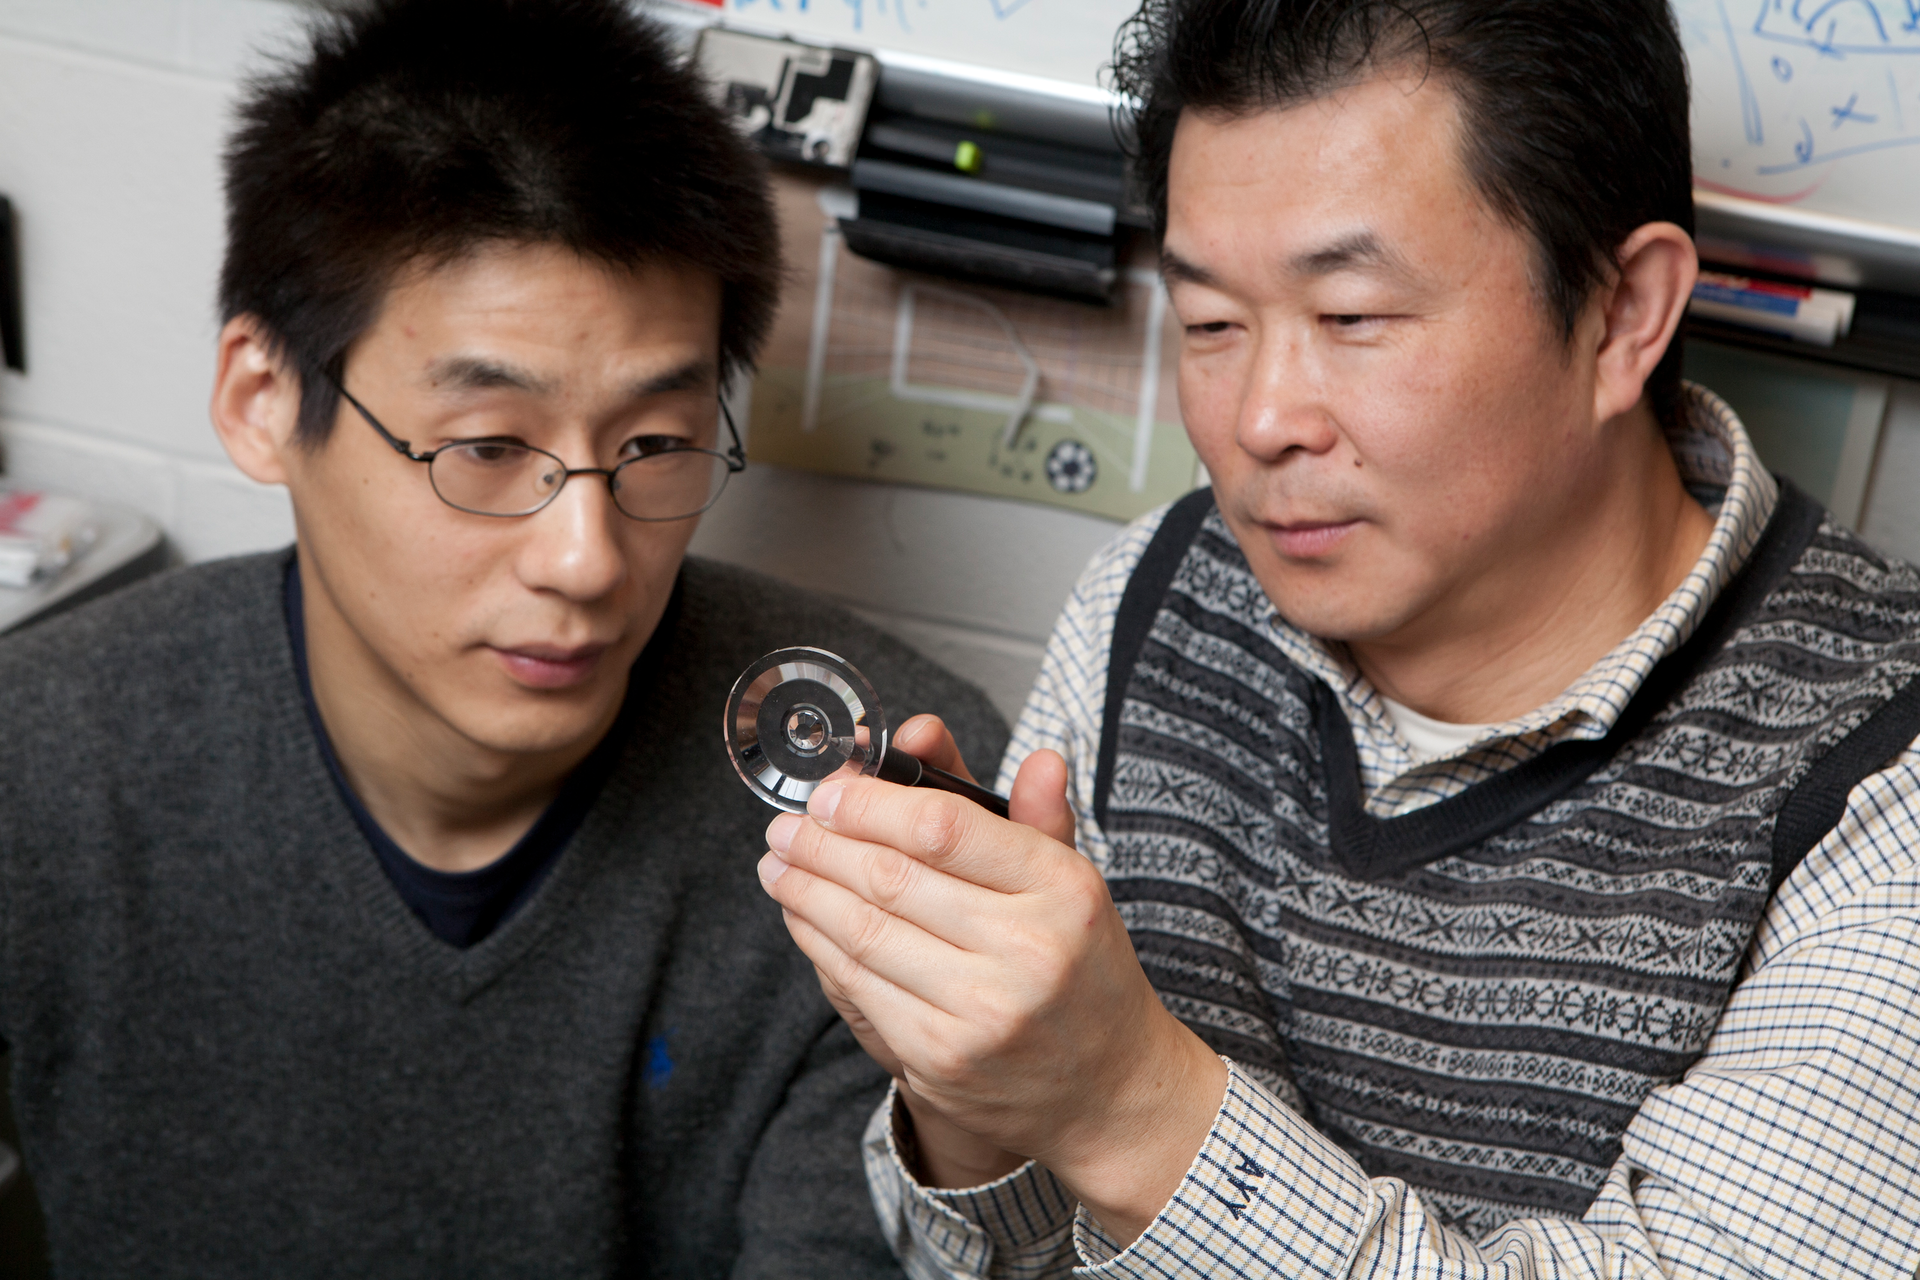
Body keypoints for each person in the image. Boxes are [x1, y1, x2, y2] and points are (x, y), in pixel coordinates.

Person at [754, 0, 1920, 1275]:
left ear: (1621, 314)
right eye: (1210, 324)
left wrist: (1121, 1102)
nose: (1259, 419)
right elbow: (970, 1259)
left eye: (1354, 316)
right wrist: (974, 1083)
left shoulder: (1880, 774)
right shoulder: (1158, 591)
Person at [0, 0, 1005, 1274]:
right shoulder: (41, 762)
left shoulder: (875, 803)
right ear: (262, 402)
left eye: (654, 445)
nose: (586, 559)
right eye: (485, 448)